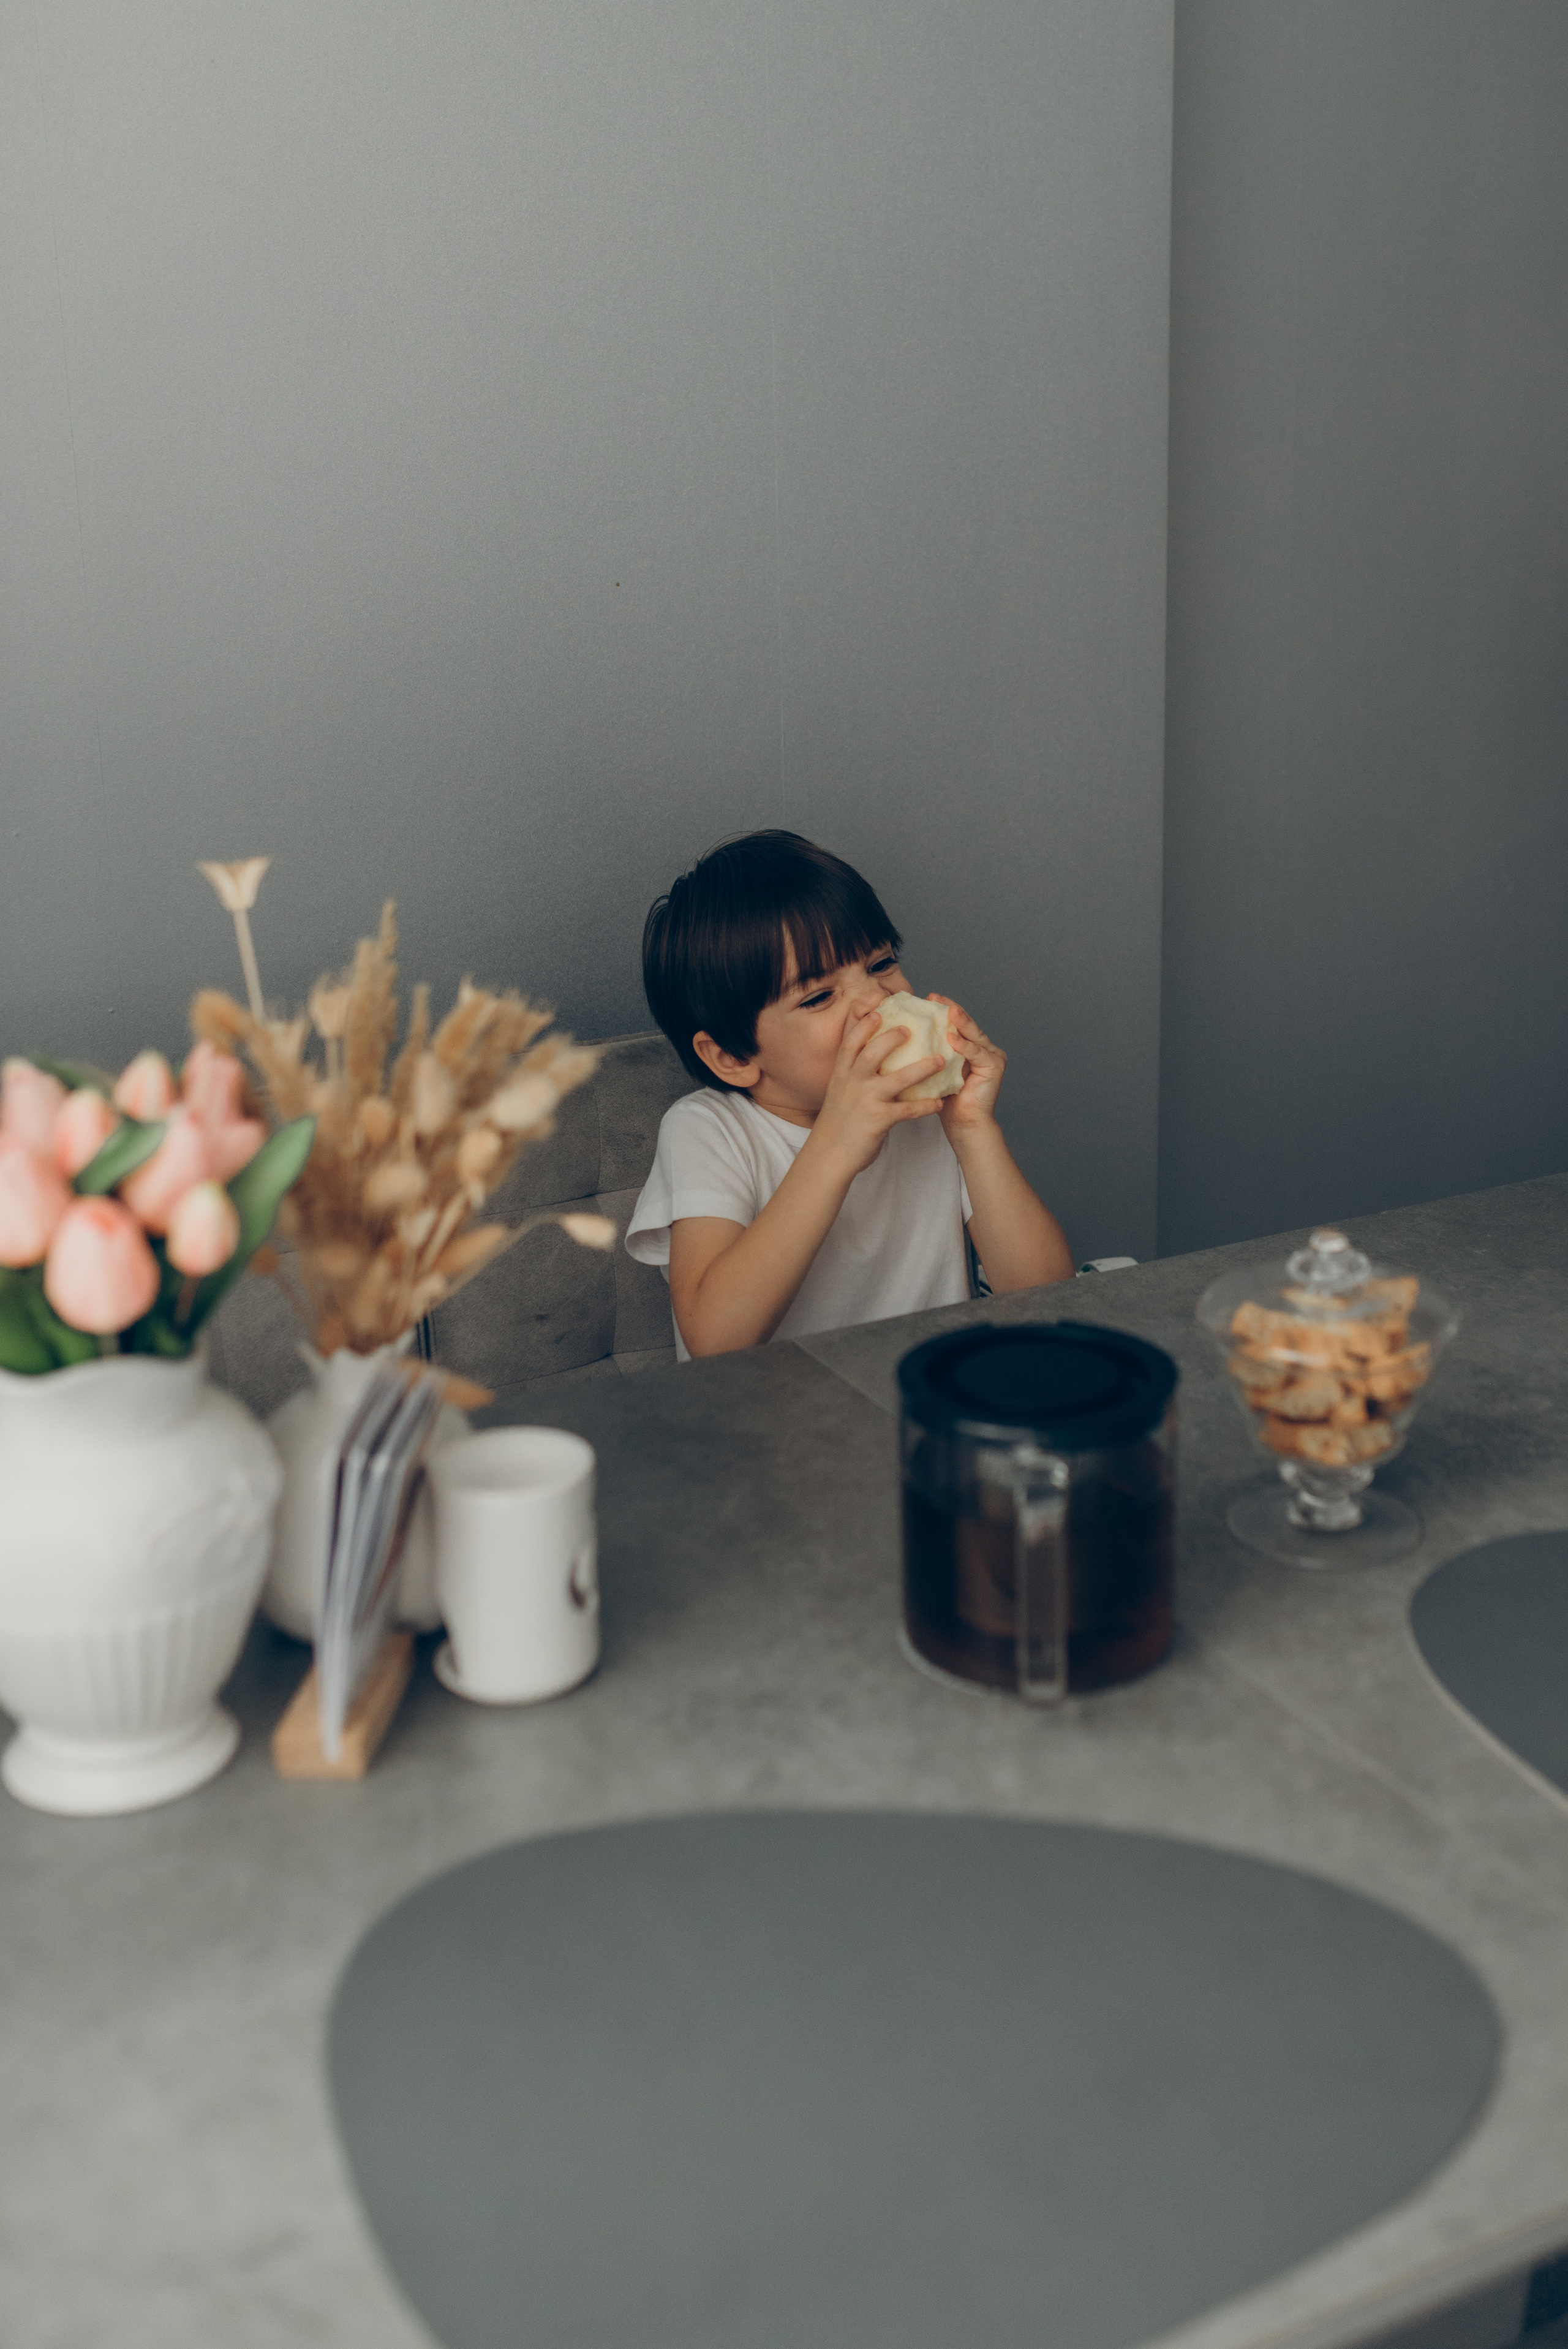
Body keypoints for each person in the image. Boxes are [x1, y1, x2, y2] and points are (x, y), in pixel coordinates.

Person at [626, 830, 1074, 1360]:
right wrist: (836, 1144)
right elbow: (716, 1338)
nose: (876, 999)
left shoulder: (927, 1115)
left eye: (881, 964)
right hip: (773, 1430)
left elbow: (1050, 1302)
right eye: (819, 996)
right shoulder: (707, 1131)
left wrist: (973, 1130)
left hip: (917, 1411)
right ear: (733, 1057)